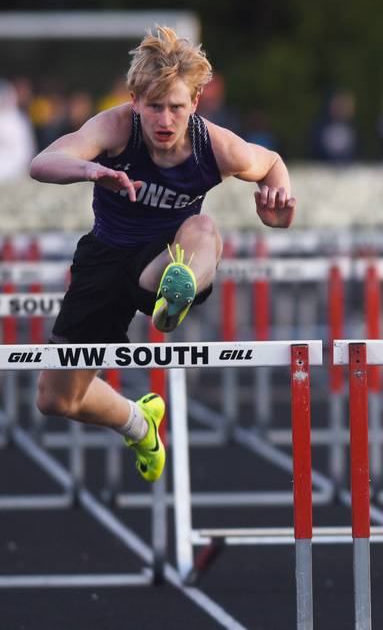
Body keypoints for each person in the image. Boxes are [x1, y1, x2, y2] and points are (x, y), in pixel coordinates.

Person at [30, 26, 295, 482]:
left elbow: (270, 164)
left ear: (195, 103)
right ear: (135, 102)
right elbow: (42, 163)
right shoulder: (114, 127)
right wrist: (91, 169)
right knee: (56, 399)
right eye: (154, 107)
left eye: (176, 107)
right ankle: (140, 421)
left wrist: (280, 209)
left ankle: (178, 291)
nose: (165, 120)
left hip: (166, 257)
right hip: (106, 258)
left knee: (204, 227)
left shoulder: (216, 146)